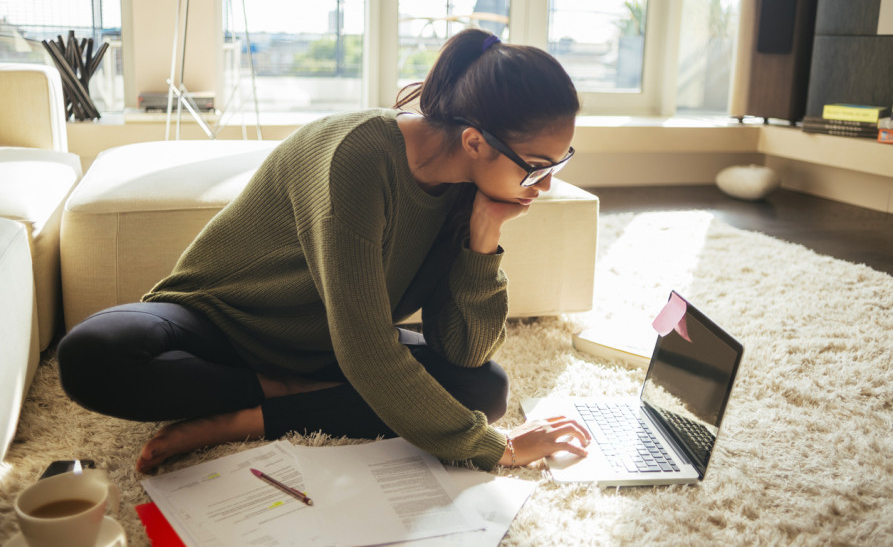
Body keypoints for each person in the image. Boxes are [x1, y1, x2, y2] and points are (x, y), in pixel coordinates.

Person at [57, 28, 591, 474]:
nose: (543, 186)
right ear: (475, 141)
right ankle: (280, 391)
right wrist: (501, 448)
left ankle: (251, 415)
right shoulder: (358, 157)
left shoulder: (471, 194)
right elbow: (367, 352)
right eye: (536, 166)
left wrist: (483, 239)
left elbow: (463, 352)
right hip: (222, 321)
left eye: (558, 163)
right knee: (91, 355)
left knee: (485, 387)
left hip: (330, 345)